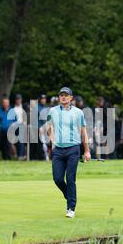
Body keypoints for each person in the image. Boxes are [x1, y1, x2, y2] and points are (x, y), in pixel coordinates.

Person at [46, 87, 91, 219]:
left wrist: (87, 150)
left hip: (73, 149)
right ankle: (69, 195)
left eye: (66, 95)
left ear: (71, 98)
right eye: (61, 95)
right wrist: (53, 141)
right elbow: (48, 128)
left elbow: (83, 132)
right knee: (58, 179)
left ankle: (71, 208)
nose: (63, 97)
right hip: (58, 150)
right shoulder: (52, 111)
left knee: (70, 179)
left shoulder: (78, 113)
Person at [0, 96, 14, 160]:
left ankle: (8, 157)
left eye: (6, 102)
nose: (5, 104)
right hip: (1, 131)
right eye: (4, 103)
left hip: (9, 131)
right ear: (2, 103)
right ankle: (4, 158)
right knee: (3, 145)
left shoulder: (12, 111)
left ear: (8, 103)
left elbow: (15, 120)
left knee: (8, 145)